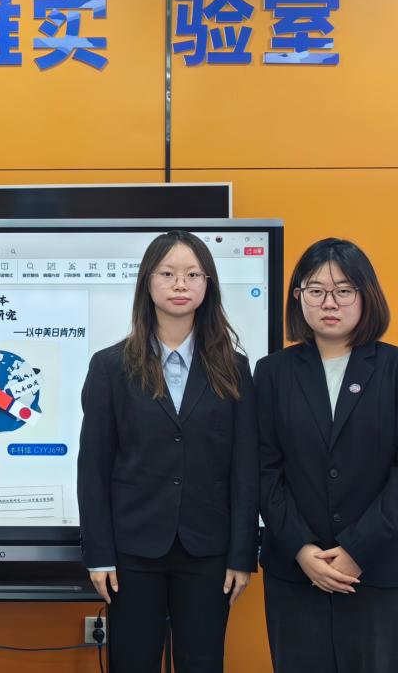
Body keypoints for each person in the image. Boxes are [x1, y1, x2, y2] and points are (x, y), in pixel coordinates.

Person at [77, 230, 258, 673]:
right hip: (132, 550)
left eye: (193, 274)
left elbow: (245, 467)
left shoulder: (233, 367)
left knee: (203, 662)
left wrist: (242, 553)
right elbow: (93, 468)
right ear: (147, 282)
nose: (181, 284)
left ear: (208, 284)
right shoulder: (110, 366)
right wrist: (99, 553)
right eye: (168, 273)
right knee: (132, 662)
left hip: (208, 551)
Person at [256, 238, 398, 673]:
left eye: (343, 290)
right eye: (315, 290)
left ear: (366, 295)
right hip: (296, 572)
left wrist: (356, 548)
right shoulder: (273, 372)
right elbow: (263, 469)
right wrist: (302, 548)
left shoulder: (392, 369)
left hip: (378, 570)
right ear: (298, 297)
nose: (329, 302)